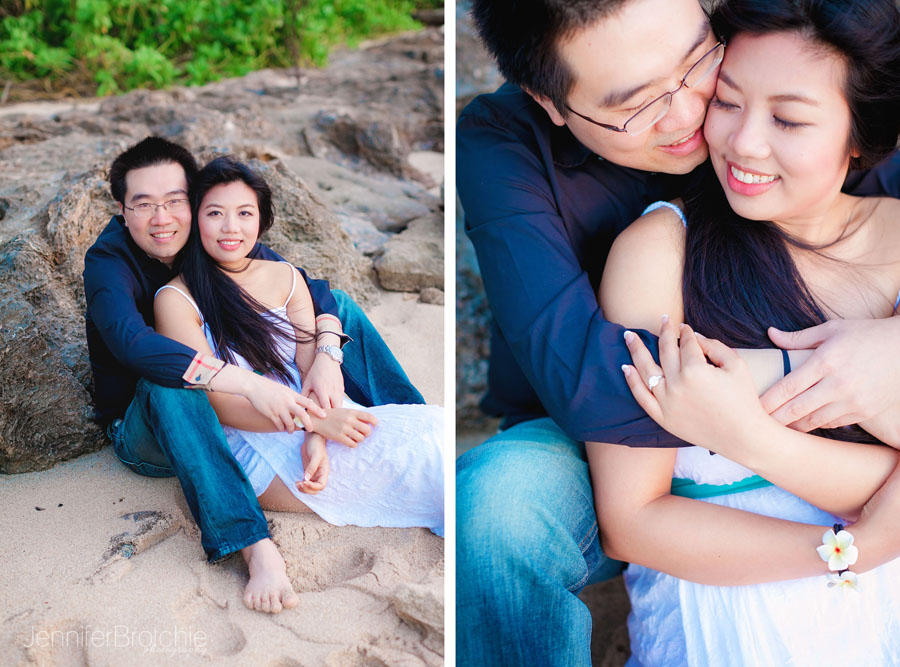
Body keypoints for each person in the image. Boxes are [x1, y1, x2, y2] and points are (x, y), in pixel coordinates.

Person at [456, 0, 900, 663]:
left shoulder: (791, 64)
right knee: (500, 506)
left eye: (699, 61)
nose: (693, 115)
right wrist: (837, 369)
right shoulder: (506, 147)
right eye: (637, 105)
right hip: (603, 432)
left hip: (811, 455)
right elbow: (590, 380)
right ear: (549, 100)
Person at [590, 0, 900, 662]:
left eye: (788, 118)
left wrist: (746, 436)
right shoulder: (658, 254)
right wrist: (848, 549)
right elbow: (631, 521)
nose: (743, 142)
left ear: (857, 132)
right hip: (726, 612)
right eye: (727, 102)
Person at [83, 137, 425, 614]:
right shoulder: (108, 262)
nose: (162, 219)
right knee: (171, 387)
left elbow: (309, 286)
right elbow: (131, 343)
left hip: (230, 405)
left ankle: (411, 419)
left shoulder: (211, 230)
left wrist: (327, 354)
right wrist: (245, 382)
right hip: (147, 427)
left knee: (341, 311)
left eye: (175, 202)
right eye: (144, 205)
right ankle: (252, 544)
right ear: (123, 210)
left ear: (194, 201)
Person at [152, 157, 444, 564]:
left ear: (262, 220)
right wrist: (318, 422)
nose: (230, 227)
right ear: (194, 219)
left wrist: (317, 438)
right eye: (215, 213)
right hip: (254, 442)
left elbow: (312, 373)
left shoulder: (286, 276)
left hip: (320, 420)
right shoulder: (175, 299)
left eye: (244, 213)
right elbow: (216, 402)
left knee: (435, 431)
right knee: (426, 464)